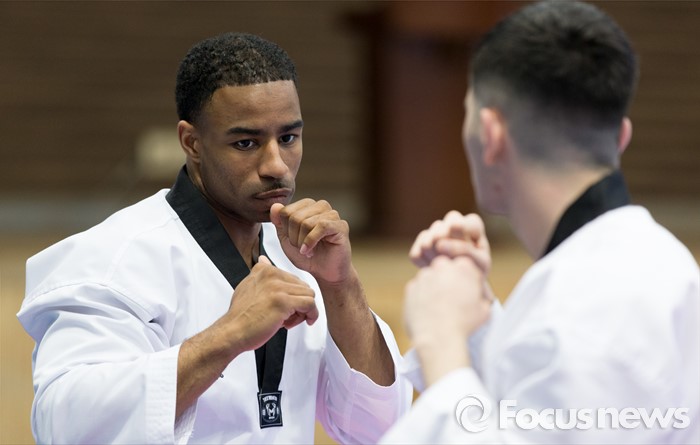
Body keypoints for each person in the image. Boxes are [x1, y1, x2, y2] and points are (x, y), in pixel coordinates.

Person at [18, 32, 411, 444]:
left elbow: (380, 429)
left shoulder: (301, 254)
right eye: (246, 143)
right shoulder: (112, 261)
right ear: (192, 143)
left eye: (288, 138)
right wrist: (229, 335)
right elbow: (66, 427)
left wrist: (339, 284)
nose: (277, 165)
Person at [381, 1, 700, 444]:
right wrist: (479, 326)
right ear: (621, 138)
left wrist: (443, 343)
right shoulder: (657, 257)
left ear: (491, 134)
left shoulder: (587, 313)